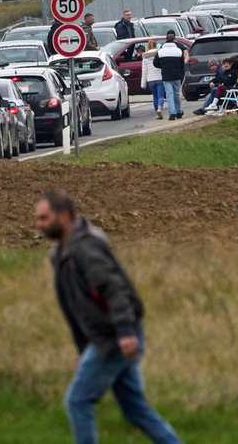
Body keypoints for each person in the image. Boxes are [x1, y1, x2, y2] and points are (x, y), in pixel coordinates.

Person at [35, 190, 183, 444]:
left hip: (115, 337)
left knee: (78, 400)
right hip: (108, 337)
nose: (39, 224)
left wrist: (125, 331)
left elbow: (114, 289)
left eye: (44, 218)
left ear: (64, 215)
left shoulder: (85, 247)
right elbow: (78, 308)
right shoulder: (62, 253)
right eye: (38, 219)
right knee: (135, 410)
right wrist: (83, 349)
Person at [155, 32, 187, 120]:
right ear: (174, 39)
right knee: (176, 93)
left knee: (169, 94)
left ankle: (172, 113)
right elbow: (182, 63)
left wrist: (163, 67)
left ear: (166, 39)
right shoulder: (178, 51)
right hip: (176, 75)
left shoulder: (161, 51)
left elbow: (155, 63)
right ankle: (179, 111)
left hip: (166, 75)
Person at [141, 42, 165, 120]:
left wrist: (143, 84)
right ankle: (159, 109)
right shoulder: (160, 53)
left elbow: (144, 71)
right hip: (160, 77)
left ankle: (156, 111)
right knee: (160, 96)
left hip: (150, 79)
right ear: (155, 45)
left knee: (155, 96)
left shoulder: (145, 57)